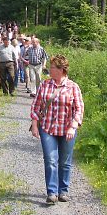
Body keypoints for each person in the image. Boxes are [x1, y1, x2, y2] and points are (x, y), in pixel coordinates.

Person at [30, 55, 84, 204]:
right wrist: (35, 125)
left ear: (61, 70)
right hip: (47, 128)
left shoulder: (73, 87)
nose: (50, 70)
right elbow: (36, 106)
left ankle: (63, 191)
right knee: (51, 160)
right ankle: (52, 192)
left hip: (67, 130)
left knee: (65, 162)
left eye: (52, 67)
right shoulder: (45, 85)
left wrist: (73, 127)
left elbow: (79, 109)